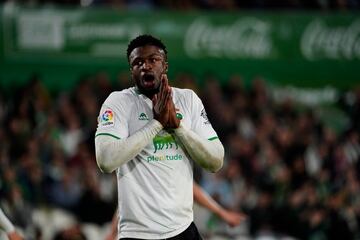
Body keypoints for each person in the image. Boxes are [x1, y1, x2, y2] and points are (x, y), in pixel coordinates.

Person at [95, 34, 224, 240]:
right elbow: (106, 161)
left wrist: (178, 128)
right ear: (131, 70)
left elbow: (216, 161)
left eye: (153, 60)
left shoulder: (188, 99)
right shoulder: (118, 103)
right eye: (138, 62)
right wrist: (156, 124)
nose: (145, 66)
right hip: (138, 234)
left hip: (182, 230)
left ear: (164, 66)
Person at [105, 182, 247, 240]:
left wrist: (223, 213)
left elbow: (190, 187)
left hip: (173, 229)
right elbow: (130, 197)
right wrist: (112, 231)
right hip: (150, 230)